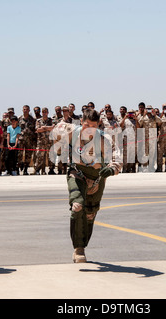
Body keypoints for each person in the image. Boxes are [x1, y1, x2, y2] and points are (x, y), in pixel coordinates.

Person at [51, 108, 121, 263]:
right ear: (81, 122)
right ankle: (78, 249)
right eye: (86, 124)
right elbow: (56, 131)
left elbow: (116, 155)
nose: (88, 129)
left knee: (90, 214)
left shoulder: (104, 139)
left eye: (93, 126)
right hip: (77, 174)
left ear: (98, 126)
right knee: (77, 205)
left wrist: (112, 169)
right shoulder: (72, 131)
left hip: (97, 179)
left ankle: (83, 245)